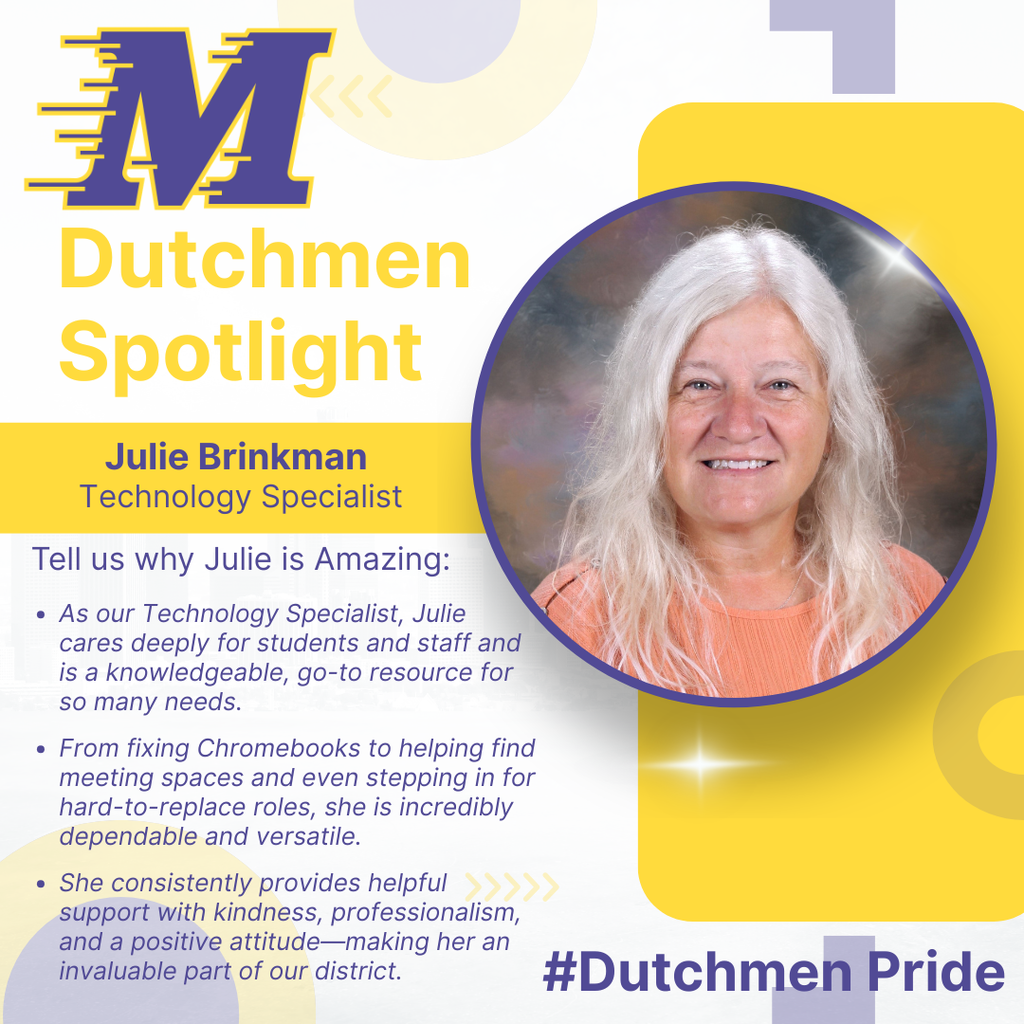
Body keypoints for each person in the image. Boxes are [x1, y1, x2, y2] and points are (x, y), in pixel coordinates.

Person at [532, 224, 944, 698]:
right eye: (699, 385)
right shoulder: (577, 620)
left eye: (780, 385)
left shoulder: (912, 595)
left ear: (833, 421)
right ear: (650, 420)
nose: (738, 424)